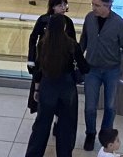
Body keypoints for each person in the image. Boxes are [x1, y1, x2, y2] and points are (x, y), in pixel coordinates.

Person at [80, 0, 123, 151]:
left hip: (111, 70)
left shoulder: (119, 24)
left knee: (110, 107)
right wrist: (78, 61)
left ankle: (105, 135)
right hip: (92, 69)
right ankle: (90, 133)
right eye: (92, 4)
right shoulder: (89, 19)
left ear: (107, 5)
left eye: (96, 5)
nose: (93, 8)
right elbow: (83, 40)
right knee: (90, 106)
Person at [26, 11, 79, 157]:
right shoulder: (71, 44)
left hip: (48, 87)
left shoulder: (43, 44)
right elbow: (83, 66)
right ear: (63, 27)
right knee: (66, 126)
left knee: (41, 125)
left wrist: (37, 88)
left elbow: (38, 68)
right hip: (67, 89)